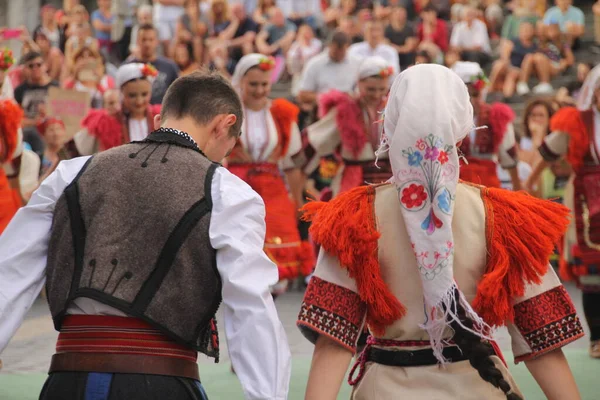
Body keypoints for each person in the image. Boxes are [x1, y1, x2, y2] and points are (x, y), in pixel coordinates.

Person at [297, 63, 583, 400]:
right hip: (479, 387)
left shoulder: (352, 217)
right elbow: (544, 340)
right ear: (462, 124)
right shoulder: (504, 217)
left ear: (390, 122)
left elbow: (333, 342)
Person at [0, 69, 291, 399]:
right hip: (161, 382)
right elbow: (252, 307)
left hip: (69, 380)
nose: (223, 156)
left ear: (158, 120)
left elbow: (8, 274)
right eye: (229, 145)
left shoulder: (71, 174)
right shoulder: (228, 191)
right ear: (224, 125)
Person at [525, 64, 600, 358]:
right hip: (588, 202)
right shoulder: (578, 121)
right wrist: (531, 181)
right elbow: (548, 152)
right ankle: (597, 339)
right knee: (594, 273)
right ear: (593, 93)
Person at [227, 54, 315, 294]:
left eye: (264, 84)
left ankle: (268, 310)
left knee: (278, 258)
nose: (259, 90)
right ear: (240, 82)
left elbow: (292, 163)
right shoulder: (227, 113)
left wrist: (297, 199)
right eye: (253, 84)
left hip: (273, 189)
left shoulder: (281, 113)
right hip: (236, 187)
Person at [294, 56, 393, 198]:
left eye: (382, 89)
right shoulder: (345, 110)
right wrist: (297, 183)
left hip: (389, 183)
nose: (377, 94)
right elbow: (316, 140)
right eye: (370, 89)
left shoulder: (395, 109)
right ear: (359, 83)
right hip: (354, 183)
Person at [451, 61, 521, 190]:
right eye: (467, 94)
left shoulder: (497, 116)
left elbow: (510, 160)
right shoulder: (447, 118)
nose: (472, 100)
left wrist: (519, 192)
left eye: (476, 94)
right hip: (455, 187)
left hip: (487, 187)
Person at [74, 63, 160, 155]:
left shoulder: (161, 117)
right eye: (132, 96)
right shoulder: (107, 121)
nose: (139, 101)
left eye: (144, 94)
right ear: (122, 93)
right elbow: (84, 149)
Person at [127, 24, 180, 105]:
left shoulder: (170, 67)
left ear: (157, 41)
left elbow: (177, 95)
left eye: (151, 40)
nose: (147, 44)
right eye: (144, 40)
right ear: (137, 41)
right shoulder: (128, 67)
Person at [517, 23, 574, 95]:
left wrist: (564, 63)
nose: (542, 32)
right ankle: (522, 84)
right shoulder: (537, 43)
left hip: (554, 66)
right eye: (540, 30)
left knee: (539, 57)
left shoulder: (561, 43)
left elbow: (570, 60)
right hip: (538, 67)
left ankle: (545, 83)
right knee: (529, 56)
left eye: (553, 30)